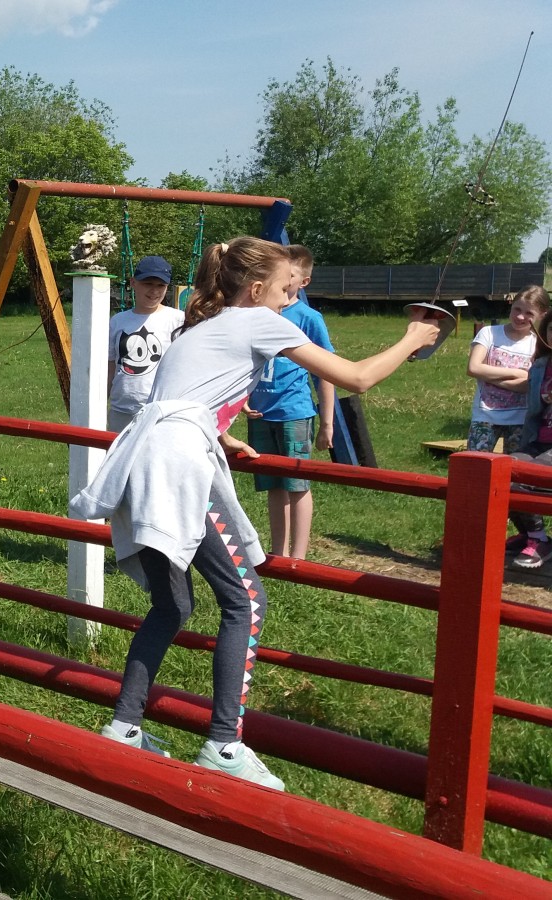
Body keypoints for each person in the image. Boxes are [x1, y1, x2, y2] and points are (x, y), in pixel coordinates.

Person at [71, 236, 440, 791]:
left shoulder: (201, 327)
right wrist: (413, 337)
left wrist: (222, 436)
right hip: (179, 467)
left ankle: (124, 726)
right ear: (257, 287)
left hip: (145, 459)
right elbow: (357, 378)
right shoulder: (259, 322)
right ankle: (224, 743)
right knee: (245, 600)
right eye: (287, 287)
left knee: (171, 606)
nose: (293, 296)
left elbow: (183, 397)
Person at [244, 245, 336, 559]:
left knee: (297, 484)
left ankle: (298, 557)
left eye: (290, 276)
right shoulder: (258, 314)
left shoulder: (308, 318)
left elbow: (326, 372)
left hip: (294, 412)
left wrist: (327, 423)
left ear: (303, 281)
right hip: (261, 414)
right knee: (273, 484)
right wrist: (242, 398)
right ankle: (278, 553)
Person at [501, 286, 552, 568]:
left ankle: (538, 539)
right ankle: (531, 535)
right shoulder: (541, 366)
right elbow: (534, 412)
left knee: (518, 479)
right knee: (498, 474)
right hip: (539, 441)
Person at [466, 286, 547, 455]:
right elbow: (473, 367)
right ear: (511, 305)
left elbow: (529, 385)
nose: (520, 316)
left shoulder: (537, 345)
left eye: (529, 313)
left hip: (520, 420)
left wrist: (488, 376)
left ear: (542, 315)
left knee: (514, 466)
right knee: (476, 464)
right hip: (485, 416)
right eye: (517, 309)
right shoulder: (489, 333)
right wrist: (517, 373)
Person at [106, 256, 183, 433]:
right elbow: (110, 365)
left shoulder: (178, 320)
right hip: (121, 409)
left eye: (160, 285)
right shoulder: (118, 321)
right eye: (148, 283)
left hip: (160, 410)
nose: (154, 291)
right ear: (133, 283)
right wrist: (101, 400)